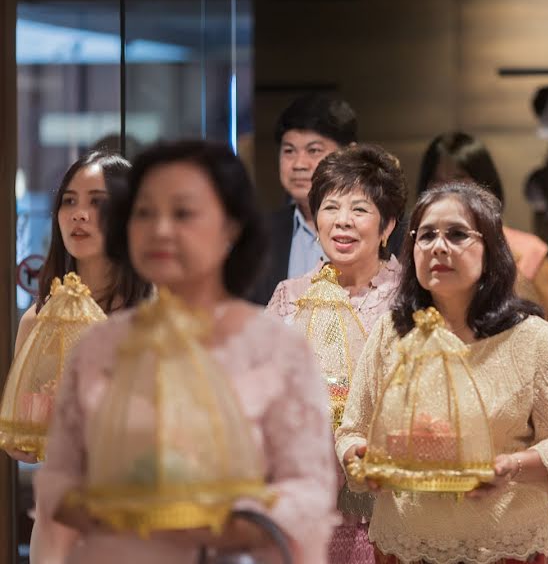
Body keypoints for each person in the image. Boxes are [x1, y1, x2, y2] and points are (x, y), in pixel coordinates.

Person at [36, 140, 338, 563]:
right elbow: (58, 478)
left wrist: (217, 524)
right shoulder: (99, 347)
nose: (160, 229)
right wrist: (99, 506)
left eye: (183, 213)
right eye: (145, 212)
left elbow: (308, 489)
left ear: (230, 226)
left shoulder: (276, 349)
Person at [335, 182, 548, 564]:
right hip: (405, 544)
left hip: (503, 545)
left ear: (490, 248)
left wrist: (511, 467)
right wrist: (358, 456)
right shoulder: (392, 333)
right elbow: (353, 428)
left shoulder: (536, 340)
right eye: (426, 236)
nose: (439, 247)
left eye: (456, 234)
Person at [5, 150, 152, 564]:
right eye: (69, 201)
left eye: (97, 202)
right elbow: (20, 446)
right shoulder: (38, 319)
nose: (78, 214)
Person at [266, 143, 407, 564]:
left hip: (385, 499)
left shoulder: (410, 301)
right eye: (330, 207)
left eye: (360, 209)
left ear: (388, 225)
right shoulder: (290, 296)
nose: (342, 221)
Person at [419, 132, 548, 325]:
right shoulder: (420, 250)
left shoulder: (530, 252)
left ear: (485, 182)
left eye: (459, 177)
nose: (447, 189)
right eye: (437, 180)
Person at [249, 92, 359, 305]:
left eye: (314, 150)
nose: (299, 164)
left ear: (350, 154)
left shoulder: (384, 230)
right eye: (289, 151)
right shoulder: (260, 234)